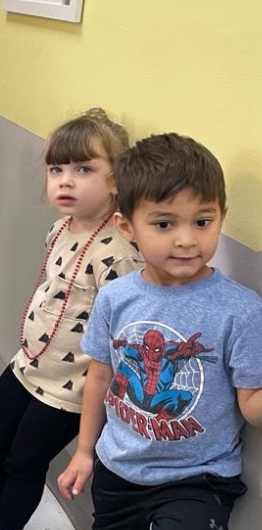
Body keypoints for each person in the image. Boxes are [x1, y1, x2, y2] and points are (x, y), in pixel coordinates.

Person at [0, 109, 142, 530]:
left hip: (73, 385)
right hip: (32, 361)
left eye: (84, 169)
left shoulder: (120, 252)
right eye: (57, 169)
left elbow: (123, 338)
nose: (65, 180)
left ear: (116, 179)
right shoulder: (60, 229)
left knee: (26, 459)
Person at [57, 133, 262, 530]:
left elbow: (251, 407)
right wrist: (84, 451)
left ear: (221, 215)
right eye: (164, 223)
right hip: (117, 471)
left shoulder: (242, 310)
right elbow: (100, 376)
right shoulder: (115, 298)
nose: (186, 240)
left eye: (203, 221)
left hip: (198, 479)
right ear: (127, 225)